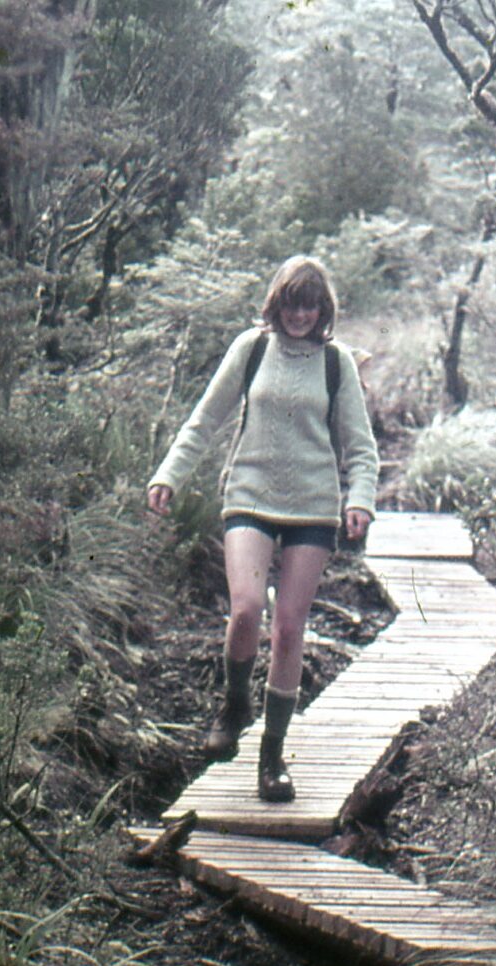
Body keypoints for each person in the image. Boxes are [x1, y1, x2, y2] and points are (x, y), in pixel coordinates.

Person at [147, 255, 379, 802]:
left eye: (311, 305)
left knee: (290, 628)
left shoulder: (336, 362)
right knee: (247, 607)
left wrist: (360, 501)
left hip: (313, 508)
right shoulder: (251, 349)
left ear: (322, 309)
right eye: (292, 302)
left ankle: (271, 757)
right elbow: (205, 419)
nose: (300, 314)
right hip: (250, 496)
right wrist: (168, 476)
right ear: (277, 301)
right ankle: (234, 704)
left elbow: (360, 446)